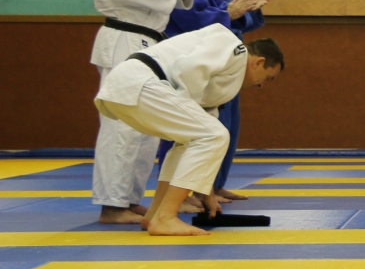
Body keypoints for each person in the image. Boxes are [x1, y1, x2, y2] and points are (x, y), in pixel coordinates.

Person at [87, 0, 209, 225]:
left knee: (145, 127)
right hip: (125, 36)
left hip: (149, 39)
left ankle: (128, 198)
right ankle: (112, 204)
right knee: (121, 126)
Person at [93, 24, 284, 236]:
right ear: (259, 62)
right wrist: (185, 105)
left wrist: (206, 190)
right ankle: (166, 218)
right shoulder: (230, 44)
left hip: (130, 88)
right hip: (141, 82)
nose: (261, 86)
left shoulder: (225, 83)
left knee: (193, 141)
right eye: (268, 78)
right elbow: (189, 69)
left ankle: (155, 215)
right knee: (215, 135)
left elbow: (202, 141)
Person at [155, 0, 271, 210]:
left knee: (223, 127)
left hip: (217, 57)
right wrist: (236, 7)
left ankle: (211, 186)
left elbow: (226, 15)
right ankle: (183, 193)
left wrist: (249, 2)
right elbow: (192, 16)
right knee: (185, 129)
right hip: (191, 59)